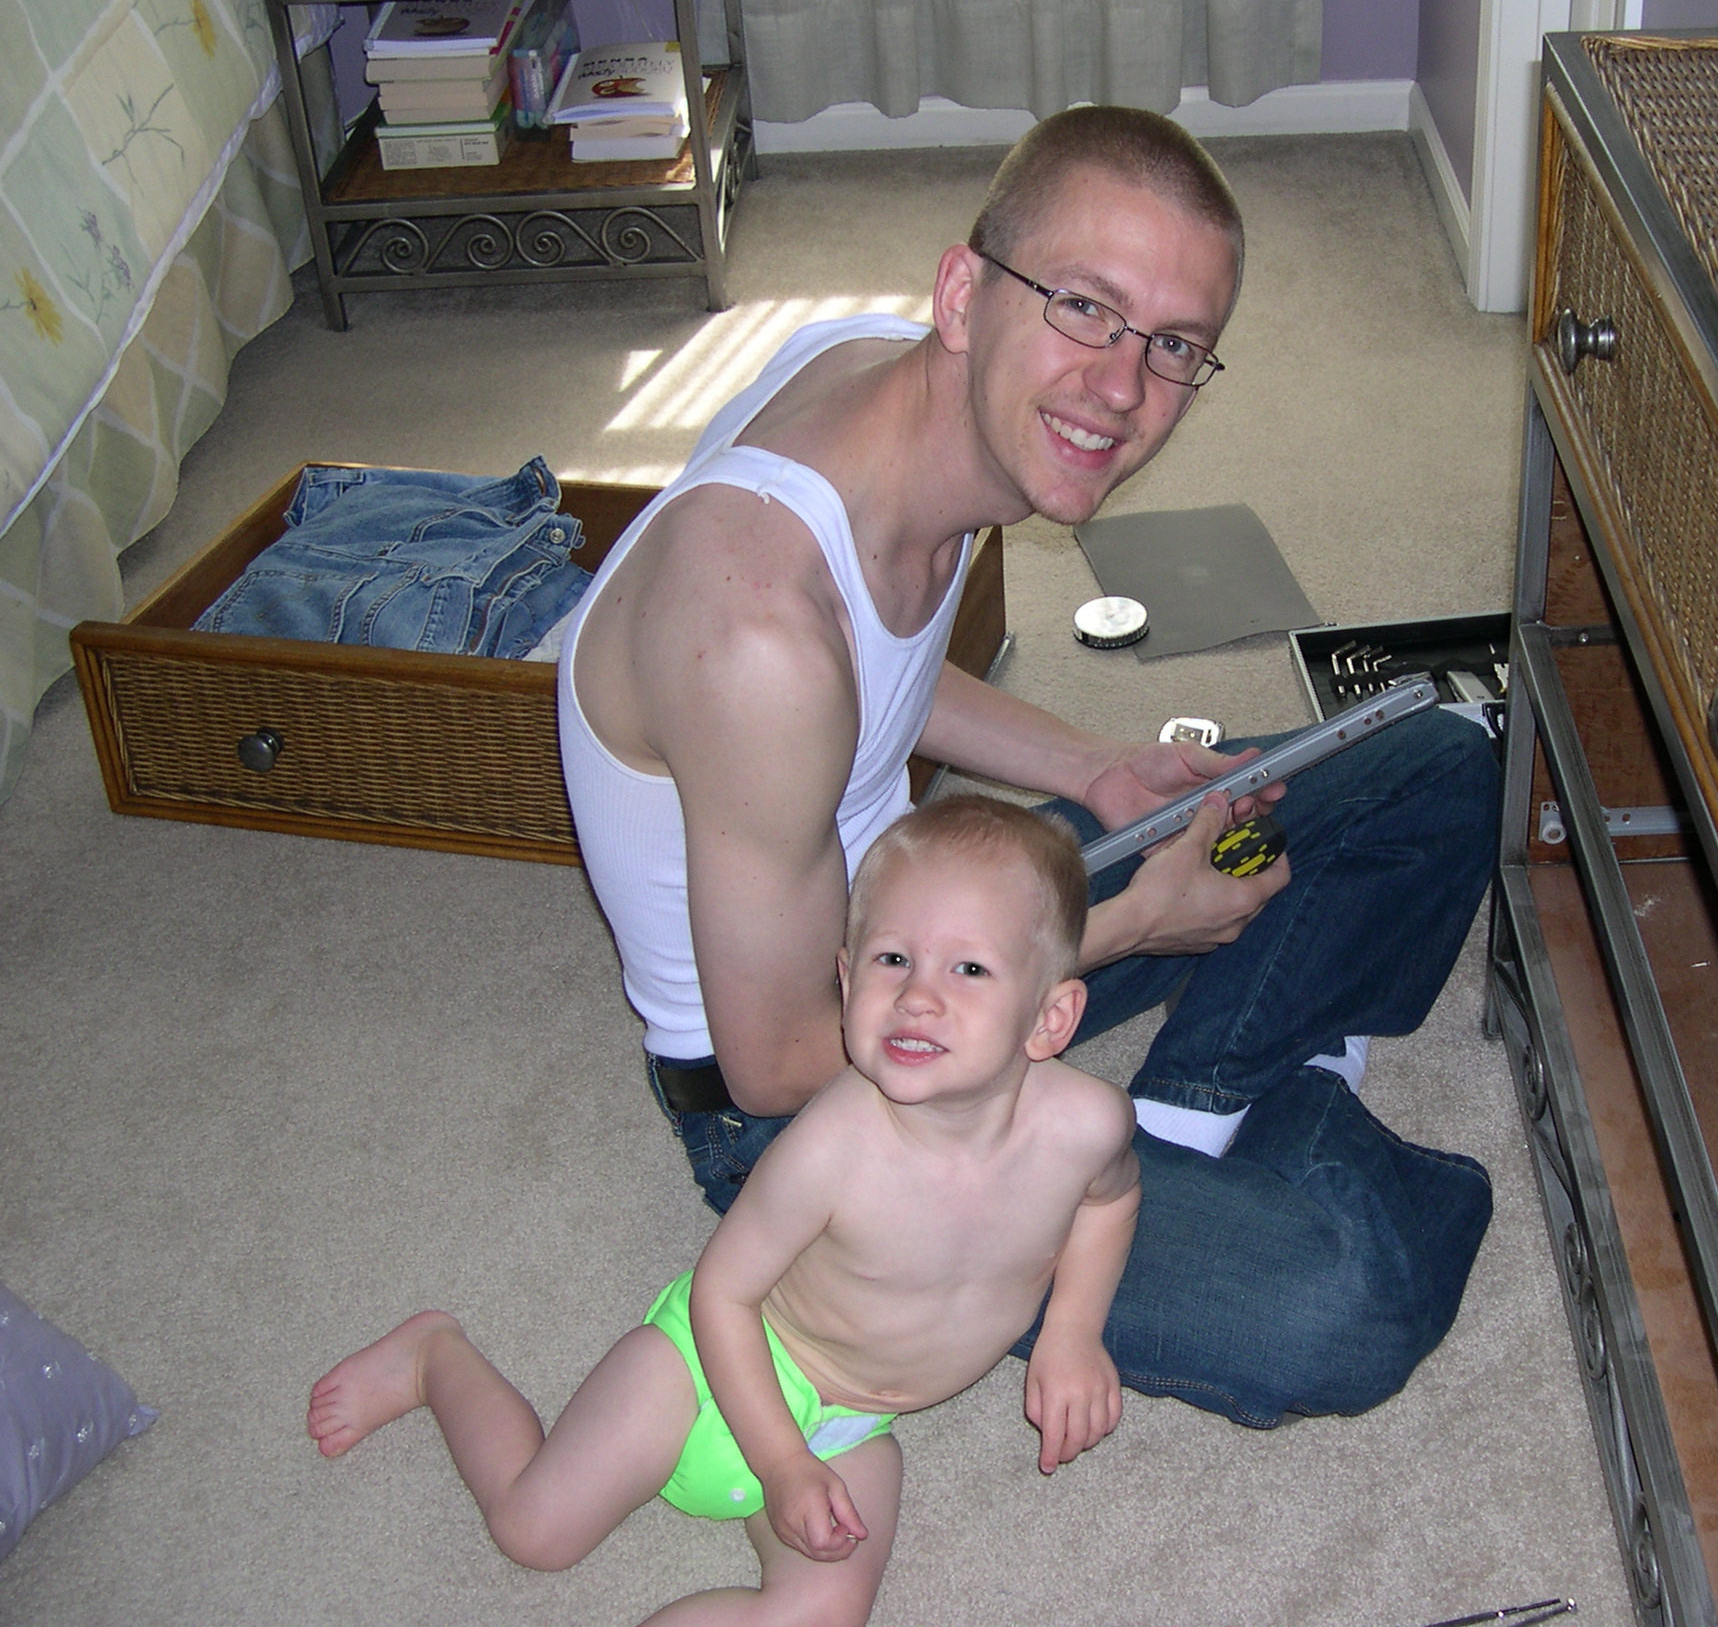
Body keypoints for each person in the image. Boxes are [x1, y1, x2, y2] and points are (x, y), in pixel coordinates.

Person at [559, 104, 1498, 1429]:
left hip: (931, 894)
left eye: (1176, 346)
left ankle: (1191, 1102)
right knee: (1343, 1302)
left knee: (1441, 753)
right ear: (962, 293)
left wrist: (1099, 765)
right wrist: (1125, 927)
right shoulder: (751, 638)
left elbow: (874, 679)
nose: (1122, 390)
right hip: (827, 1087)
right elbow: (776, 1059)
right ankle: (1245, 1102)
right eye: (1085, 308)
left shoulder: (875, 384)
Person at [307, 798, 1140, 1627]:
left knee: (824, 1612)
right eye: (892, 959)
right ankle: (433, 1355)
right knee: (535, 1529)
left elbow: (1113, 1198)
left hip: (853, 1424)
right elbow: (723, 1293)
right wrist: (779, 1462)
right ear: (846, 982)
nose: (919, 996)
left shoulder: (1088, 1127)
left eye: (968, 970)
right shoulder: (832, 1148)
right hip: (712, 1366)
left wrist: (1072, 1331)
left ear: (1051, 1018)